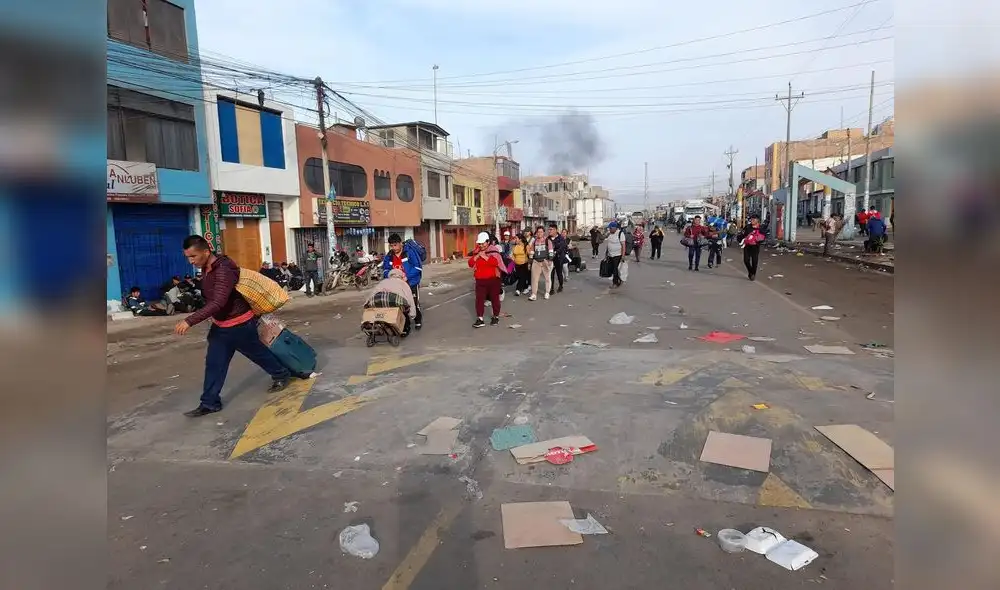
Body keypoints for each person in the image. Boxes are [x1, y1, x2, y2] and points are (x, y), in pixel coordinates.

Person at [173, 235, 290, 417]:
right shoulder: (207, 268)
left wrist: (190, 320)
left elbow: (219, 301)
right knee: (214, 363)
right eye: (188, 257)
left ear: (206, 252)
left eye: (193, 256)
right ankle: (210, 402)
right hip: (221, 326)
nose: (191, 261)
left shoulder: (224, 270)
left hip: (240, 324)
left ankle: (281, 374)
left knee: (258, 354)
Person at [382, 233, 423, 332]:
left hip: (411, 282)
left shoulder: (409, 252)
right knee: (401, 304)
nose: (393, 248)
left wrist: (406, 277)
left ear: (400, 243)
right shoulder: (389, 256)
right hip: (397, 284)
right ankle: (406, 325)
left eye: (395, 245)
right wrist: (389, 275)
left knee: (413, 302)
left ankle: (418, 320)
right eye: (391, 246)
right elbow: (385, 269)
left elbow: (418, 267)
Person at [366, 268, 417, 335]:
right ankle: (404, 329)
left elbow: (373, 293)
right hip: (396, 302)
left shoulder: (383, 282)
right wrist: (412, 314)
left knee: (379, 308)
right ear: (401, 276)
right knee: (404, 309)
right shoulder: (403, 283)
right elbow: (410, 299)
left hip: (379, 301)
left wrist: (366, 304)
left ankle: (378, 324)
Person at [468, 232, 503, 327]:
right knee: (479, 300)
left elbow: (496, 262)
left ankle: (495, 317)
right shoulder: (477, 251)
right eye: (479, 244)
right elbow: (470, 263)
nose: (481, 245)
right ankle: (480, 318)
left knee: (495, 299)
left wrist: (484, 256)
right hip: (480, 280)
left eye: (483, 243)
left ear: (488, 242)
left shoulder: (493, 250)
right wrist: (477, 256)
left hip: (493, 280)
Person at [527, 226, 554, 301]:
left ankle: (547, 292)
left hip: (545, 261)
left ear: (543, 233)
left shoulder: (547, 241)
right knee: (534, 279)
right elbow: (532, 252)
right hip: (536, 262)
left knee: (547, 278)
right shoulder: (534, 241)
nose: (539, 233)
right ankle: (534, 294)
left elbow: (551, 251)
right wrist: (530, 262)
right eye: (538, 232)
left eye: (541, 232)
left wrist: (550, 260)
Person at [737, 216, 765, 281]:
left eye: (753, 219)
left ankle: (753, 274)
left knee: (754, 261)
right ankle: (750, 271)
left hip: (755, 246)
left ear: (757, 220)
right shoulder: (747, 227)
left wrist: (758, 239)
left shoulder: (761, 228)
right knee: (746, 260)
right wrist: (740, 238)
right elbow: (742, 234)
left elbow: (763, 237)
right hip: (747, 246)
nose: (752, 220)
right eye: (751, 219)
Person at [603, 221, 626, 288]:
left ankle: (615, 283)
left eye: (610, 228)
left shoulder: (620, 234)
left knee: (615, 269)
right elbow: (608, 245)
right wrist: (606, 254)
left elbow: (623, 245)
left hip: (618, 255)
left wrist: (623, 256)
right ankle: (619, 280)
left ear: (614, 228)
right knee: (612, 268)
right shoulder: (610, 234)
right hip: (610, 255)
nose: (609, 230)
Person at [548, 224, 567, 295]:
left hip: (559, 258)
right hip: (551, 258)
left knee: (559, 273)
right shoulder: (548, 238)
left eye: (551, 229)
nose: (549, 231)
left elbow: (562, 247)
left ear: (555, 230)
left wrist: (555, 252)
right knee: (551, 274)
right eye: (549, 229)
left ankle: (561, 285)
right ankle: (551, 288)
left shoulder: (560, 238)